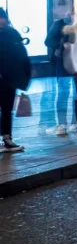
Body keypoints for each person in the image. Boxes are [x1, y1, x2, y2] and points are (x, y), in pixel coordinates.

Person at [0, 8, 32, 153]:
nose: (2, 21)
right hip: (6, 77)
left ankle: (7, 139)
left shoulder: (11, 33)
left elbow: (22, 54)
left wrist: (24, 75)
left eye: (3, 18)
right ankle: (6, 140)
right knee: (6, 109)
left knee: (7, 109)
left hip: (10, 78)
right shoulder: (10, 33)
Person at [41, 8, 73, 136]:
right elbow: (48, 41)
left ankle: (76, 123)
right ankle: (62, 123)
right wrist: (62, 45)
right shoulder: (59, 24)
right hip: (63, 62)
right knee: (63, 92)